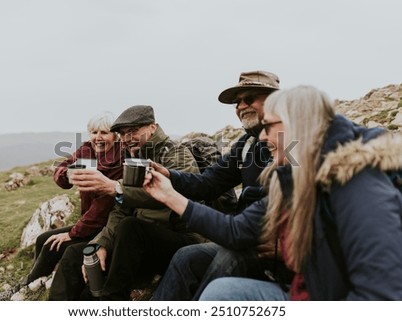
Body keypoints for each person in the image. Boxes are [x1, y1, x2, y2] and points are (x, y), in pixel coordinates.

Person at [144, 85, 402, 300]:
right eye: (237, 102)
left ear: (295, 121)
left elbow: (381, 295)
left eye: (268, 126)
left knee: (229, 263)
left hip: (308, 280)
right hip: (298, 273)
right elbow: (212, 187)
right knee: (199, 268)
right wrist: (170, 183)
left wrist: (287, 239)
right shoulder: (263, 156)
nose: (264, 137)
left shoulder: (353, 182)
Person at [150, 70, 292, 301]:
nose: (240, 106)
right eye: (237, 102)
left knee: (231, 258)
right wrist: (168, 175)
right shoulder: (247, 144)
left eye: (249, 98)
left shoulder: (292, 145)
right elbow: (209, 183)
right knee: (187, 258)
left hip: (275, 249)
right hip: (243, 236)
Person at [48, 105, 204, 300]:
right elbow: (121, 209)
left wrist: (116, 188)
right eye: (123, 134)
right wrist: (101, 244)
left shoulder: (176, 155)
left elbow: (172, 196)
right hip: (138, 241)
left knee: (130, 227)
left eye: (133, 131)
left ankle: (112, 299)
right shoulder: (135, 158)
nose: (127, 138)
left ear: (153, 127)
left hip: (180, 239)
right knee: (76, 255)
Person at [0, 112, 123, 301]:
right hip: (89, 222)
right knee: (43, 239)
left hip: (105, 227)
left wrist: (73, 233)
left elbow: (102, 208)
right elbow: (62, 167)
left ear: (115, 135)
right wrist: (66, 175)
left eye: (104, 132)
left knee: (54, 244)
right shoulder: (87, 151)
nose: (98, 137)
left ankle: (19, 291)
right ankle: (33, 283)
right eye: (94, 132)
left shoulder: (119, 162)